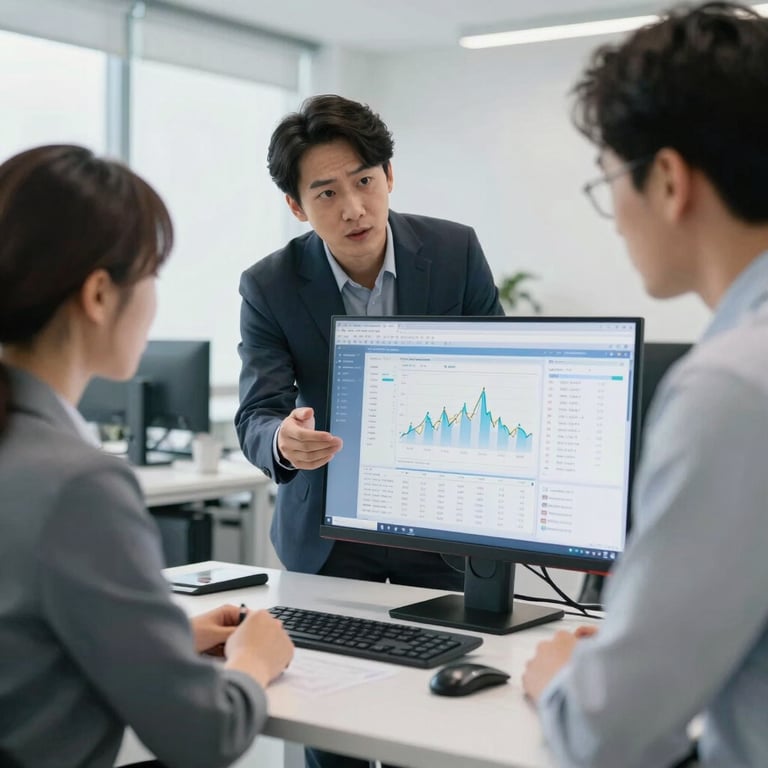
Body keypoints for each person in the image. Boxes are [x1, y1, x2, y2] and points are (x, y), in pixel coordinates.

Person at [522, 4, 768, 767]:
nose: (615, 218)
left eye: (608, 183)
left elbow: (607, 736)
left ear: (667, 180)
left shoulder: (733, 389)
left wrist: (566, 682)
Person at [0, 145, 294, 768]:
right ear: (100, 295)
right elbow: (204, 737)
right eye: (152, 275)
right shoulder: (79, 484)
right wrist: (253, 662)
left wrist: (162, 644)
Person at [235, 93, 502, 768]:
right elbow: (256, 414)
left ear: (389, 176)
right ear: (297, 206)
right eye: (326, 192)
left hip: (439, 526)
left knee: (439, 732)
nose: (353, 207)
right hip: (330, 537)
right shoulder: (269, 285)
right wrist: (283, 442)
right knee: (335, 738)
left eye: (364, 181)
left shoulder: (453, 249)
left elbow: (502, 370)